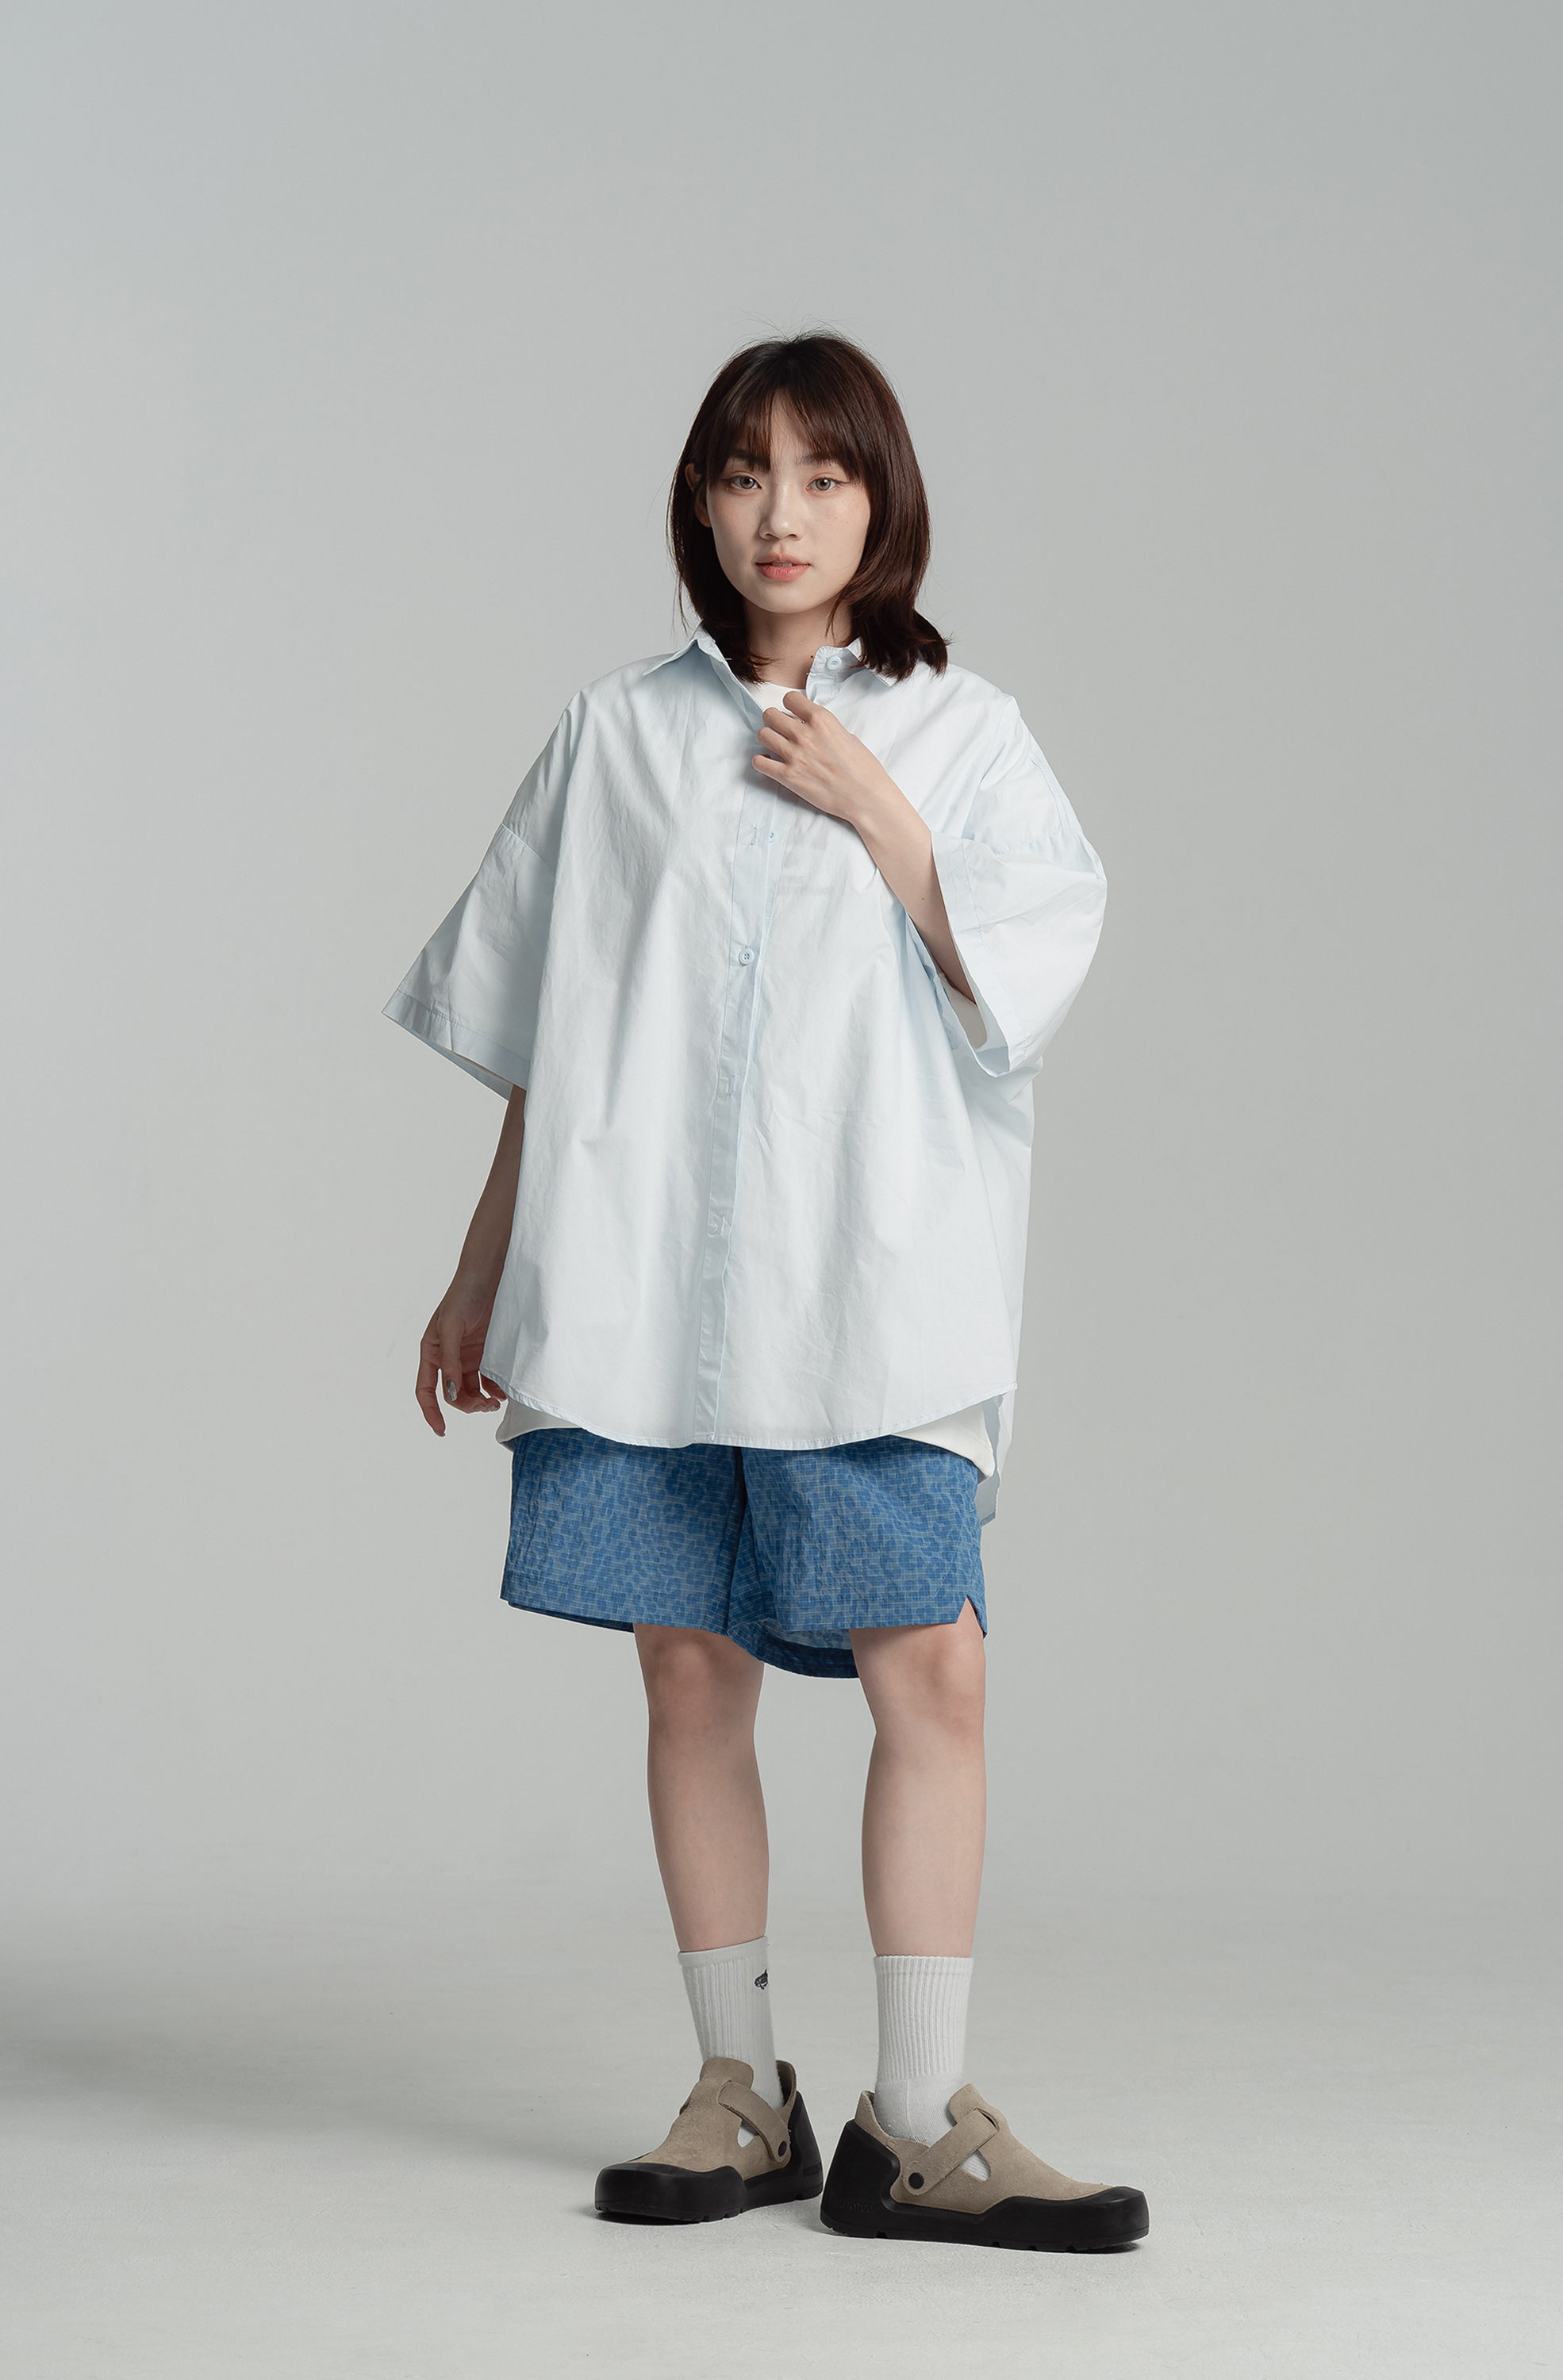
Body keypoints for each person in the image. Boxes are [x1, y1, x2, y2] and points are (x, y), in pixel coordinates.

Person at [382, 333, 1147, 2251]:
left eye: (821, 474)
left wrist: (882, 815)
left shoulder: (966, 736)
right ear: (700, 502)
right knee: (685, 1664)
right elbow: (555, 1030)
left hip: (866, 1294)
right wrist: (477, 1270)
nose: (779, 514)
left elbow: (1025, 983)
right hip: (636, 1288)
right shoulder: (615, 736)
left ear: (881, 501)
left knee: (932, 1669)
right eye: (743, 473)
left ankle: (918, 2122)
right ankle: (738, 2092)